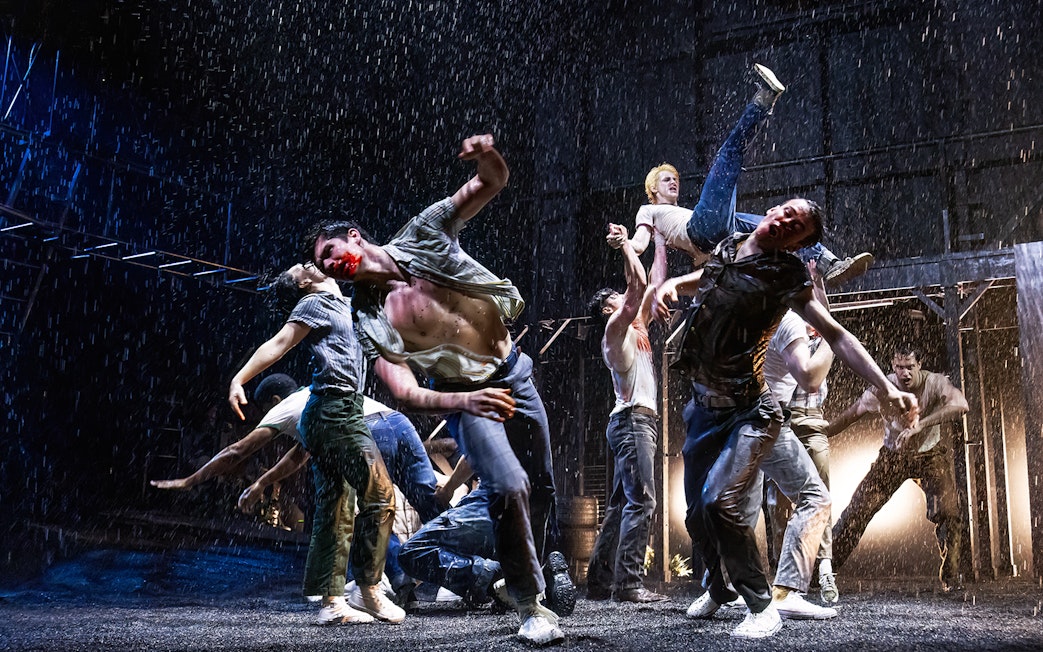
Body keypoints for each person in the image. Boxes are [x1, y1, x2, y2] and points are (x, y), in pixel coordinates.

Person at [652, 71, 918, 637]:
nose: (782, 219)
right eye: (784, 211)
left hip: (750, 407)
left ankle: (763, 606)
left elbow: (838, 336)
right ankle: (718, 588)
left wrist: (888, 386)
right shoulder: (730, 241)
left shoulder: (786, 273)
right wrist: (674, 287)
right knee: (698, 514)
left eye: (795, 225)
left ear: (799, 244)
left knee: (725, 506)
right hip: (702, 404)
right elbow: (713, 274)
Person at [307, 134, 570, 646]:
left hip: (514, 372)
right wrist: (460, 402)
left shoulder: (426, 230)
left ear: (354, 238)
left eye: (331, 252)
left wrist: (487, 153)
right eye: (323, 265)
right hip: (464, 397)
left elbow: (491, 181)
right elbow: (403, 386)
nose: (331, 265)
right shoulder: (368, 317)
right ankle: (529, 604)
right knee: (508, 486)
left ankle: (529, 576)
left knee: (542, 491)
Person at [227, 262, 403, 626]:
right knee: (381, 495)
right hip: (333, 408)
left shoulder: (347, 304)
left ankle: (331, 602)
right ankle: (368, 587)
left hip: (336, 409)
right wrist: (239, 379)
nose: (308, 261)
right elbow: (279, 343)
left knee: (337, 506)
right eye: (300, 266)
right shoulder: (314, 302)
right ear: (304, 283)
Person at [613, 65, 873, 289]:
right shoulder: (647, 210)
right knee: (728, 156)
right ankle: (764, 99)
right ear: (652, 189)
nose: (673, 182)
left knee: (772, 225)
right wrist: (624, 241)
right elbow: (639, 244)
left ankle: (830, 264)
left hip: (721, 238)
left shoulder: (679, 214)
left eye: (675, 179)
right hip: (703, 233)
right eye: (666, 179)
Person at [828, 343, 969, 592]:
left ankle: (952, 577)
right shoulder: (883, 387)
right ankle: (826, 572)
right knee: (857, 511)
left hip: (929, 456)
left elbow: (961, 405)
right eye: (899, 367)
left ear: (919, 366)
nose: (904, 373)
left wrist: (921, 424)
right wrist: (822, 433)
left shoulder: (934, 383)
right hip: (893, 457)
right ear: (893, 366)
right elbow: (852, 414)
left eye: (910, 367)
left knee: (949, 513)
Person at [584, 223, 668, 603]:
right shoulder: (615, 328)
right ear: (607, 309)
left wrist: (661, 238)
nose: (622, 297)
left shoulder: (635, 326)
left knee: (622, 503)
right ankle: (629, 584)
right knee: (642, 501)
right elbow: (636, 288)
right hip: (634, 421)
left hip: (632, 422)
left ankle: (600, 582)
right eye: (614, 297)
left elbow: (652, 284)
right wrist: (624, 248)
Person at [752, 266, 838, 620]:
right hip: (765, 414)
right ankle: (785, 591)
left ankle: (727, 589)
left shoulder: (759, 311)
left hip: (734, 415)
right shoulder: (789, 322)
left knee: (737, 507)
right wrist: (834, 336)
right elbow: (810, 377)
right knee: (816, 496)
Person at [764, 318, 840, 604]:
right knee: (774, 503)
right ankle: (780, 577)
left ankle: (823, 569)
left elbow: (812, 382)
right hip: (779, 418)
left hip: (810, 422)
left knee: (818, 495)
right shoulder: (785, 329)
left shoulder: (820, 342)